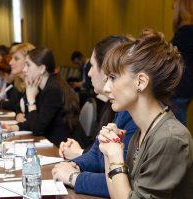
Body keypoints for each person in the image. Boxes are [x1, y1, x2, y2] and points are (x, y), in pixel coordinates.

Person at [98, 29, 193, 199]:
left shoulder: (170, 139)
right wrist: (108, 151)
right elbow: (119, 194)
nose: (106, 89)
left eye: (113, 77)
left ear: (140, 82)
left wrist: (114, 155)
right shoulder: (143, 132)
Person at [52, 35, 137, 198]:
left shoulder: (134, 116)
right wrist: (74, 165)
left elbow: (123, 182)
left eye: (92, 66)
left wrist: (73, 177)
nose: (89, 73)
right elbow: (98, 155)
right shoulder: (120, 109)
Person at [5, 48, 89, 147]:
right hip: (56, 144)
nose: (24, 69)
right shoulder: (43, 87)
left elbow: (37, 128)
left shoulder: (52, 89)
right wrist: (16, 127)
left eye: (28, 65)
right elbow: (37, 119)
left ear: (41, 69)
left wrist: (31, 100)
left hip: (68, 148)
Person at [171, 0, 193, 125]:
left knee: (175, 126)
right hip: (186, 89)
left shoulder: (186, 31)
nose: (173, 7)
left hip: (179, 88)